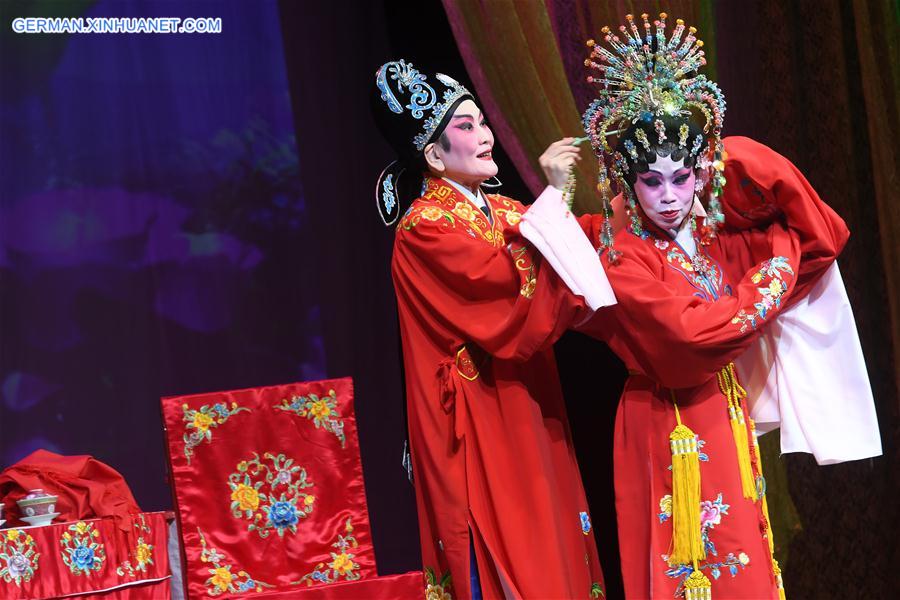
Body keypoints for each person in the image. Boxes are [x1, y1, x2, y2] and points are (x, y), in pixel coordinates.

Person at [571, 13, 881, 600]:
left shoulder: (716, 234)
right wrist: (771, 277)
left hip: (722, 409)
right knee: (682, 570)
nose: (669, 198)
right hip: (662, 421)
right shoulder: (618, 248)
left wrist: (732, 154)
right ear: (624, 179)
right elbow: (686, 341)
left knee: (745, 560)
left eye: (684, 177)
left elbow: (822, 233)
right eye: (651, 181)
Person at [371, 59, 614, 599]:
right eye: (466, 126)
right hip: (477, 420)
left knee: (554, 547)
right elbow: (504, 286)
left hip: (528, 403)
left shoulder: (504, 211)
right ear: (434, 155)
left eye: (483, 123)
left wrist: (630, 209)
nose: (484, 136)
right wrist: (554, 202)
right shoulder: (424, 229)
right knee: (503, 555)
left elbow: (572, 255)